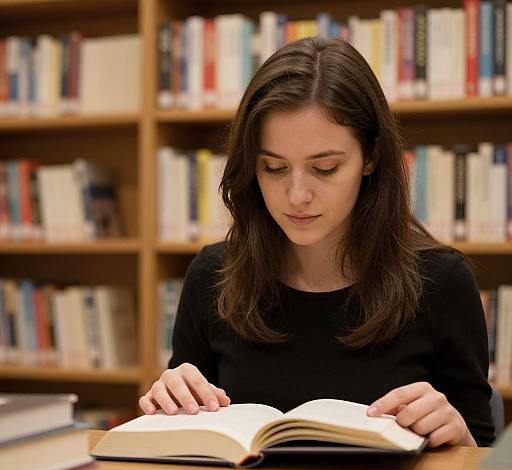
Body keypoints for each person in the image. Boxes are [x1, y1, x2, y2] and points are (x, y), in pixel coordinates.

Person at [140, 36, 495, 448]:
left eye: (324, 169)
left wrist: (458, 434)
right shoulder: (212, 275)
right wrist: (168, 405)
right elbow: (184, 445)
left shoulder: (441, 282)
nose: (296, 196)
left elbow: (481, 462)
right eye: (273, 167)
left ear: (372, 158)